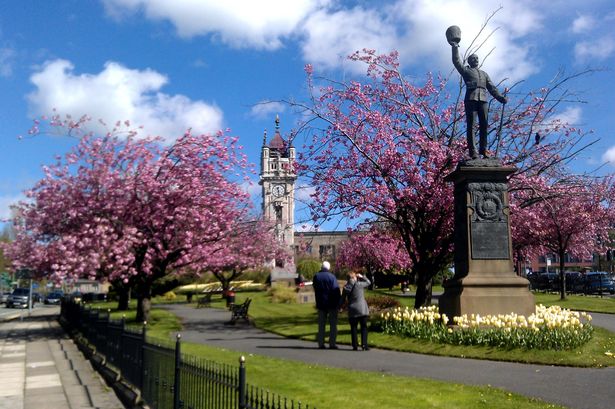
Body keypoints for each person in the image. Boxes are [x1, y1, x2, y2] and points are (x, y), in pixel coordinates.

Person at [450, 42, 507, 159]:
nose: (475, 60)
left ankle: (484, 150)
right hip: (471, 99)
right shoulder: (466, 71)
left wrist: (500, 98)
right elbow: (456, 61)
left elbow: (491, 87)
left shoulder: (484, 74)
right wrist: (455, 47)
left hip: (483, 100)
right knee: (471, 125)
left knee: (484, 125)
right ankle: (473, 151)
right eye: (473, 59)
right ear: (469, 61)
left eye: (477, 58)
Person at [312, 261, 340, 349]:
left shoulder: (316, 276)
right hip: (331, 303)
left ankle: (321, 343)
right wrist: (338, 302)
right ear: (329, 268)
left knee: (321, 325)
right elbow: (336, 290)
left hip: (321, 303)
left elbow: (315, 287)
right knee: (333, 324)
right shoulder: (332, 277)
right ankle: (332, 343)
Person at [341, 269, 371, 351]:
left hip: (352, 309)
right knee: (364, 327)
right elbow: (369, 282)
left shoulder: (345, 287)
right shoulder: (359, 284)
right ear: (354, 277)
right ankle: (364, 345)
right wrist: (362, 276)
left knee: (353, 328)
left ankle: (355, 345)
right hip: (362, 309)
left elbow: (342, 299)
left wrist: (340, 307)